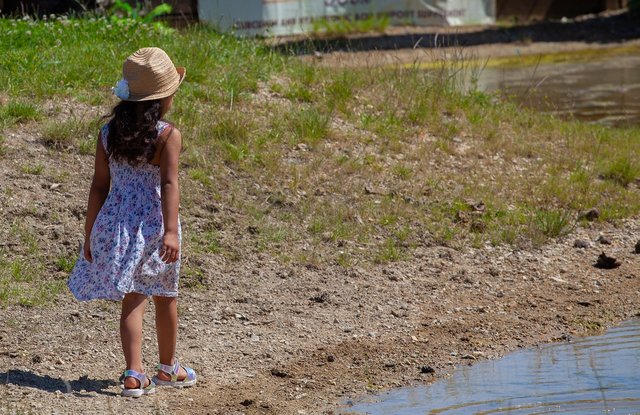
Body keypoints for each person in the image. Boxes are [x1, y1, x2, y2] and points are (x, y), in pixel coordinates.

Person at [68, 47, 196, 398]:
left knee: (133, 299)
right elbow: (169, 183)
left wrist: (90, 231)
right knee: (166, 296)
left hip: (116, 224)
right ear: (164, 98)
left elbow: (99, 185)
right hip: (154, 227)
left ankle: (134, 374)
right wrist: (171, 231)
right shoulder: (168, 136)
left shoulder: (109, 133)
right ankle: (168, 369)